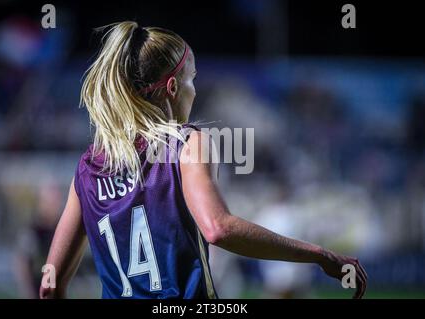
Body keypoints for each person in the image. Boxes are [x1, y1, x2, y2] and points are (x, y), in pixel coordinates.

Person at [40, 21, 367, 299]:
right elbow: (218, 228)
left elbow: (49, 286)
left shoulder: (87, 168)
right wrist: (320, 255)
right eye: (191, 79)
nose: (193, 90)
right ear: (172, 87)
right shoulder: (186, 143)